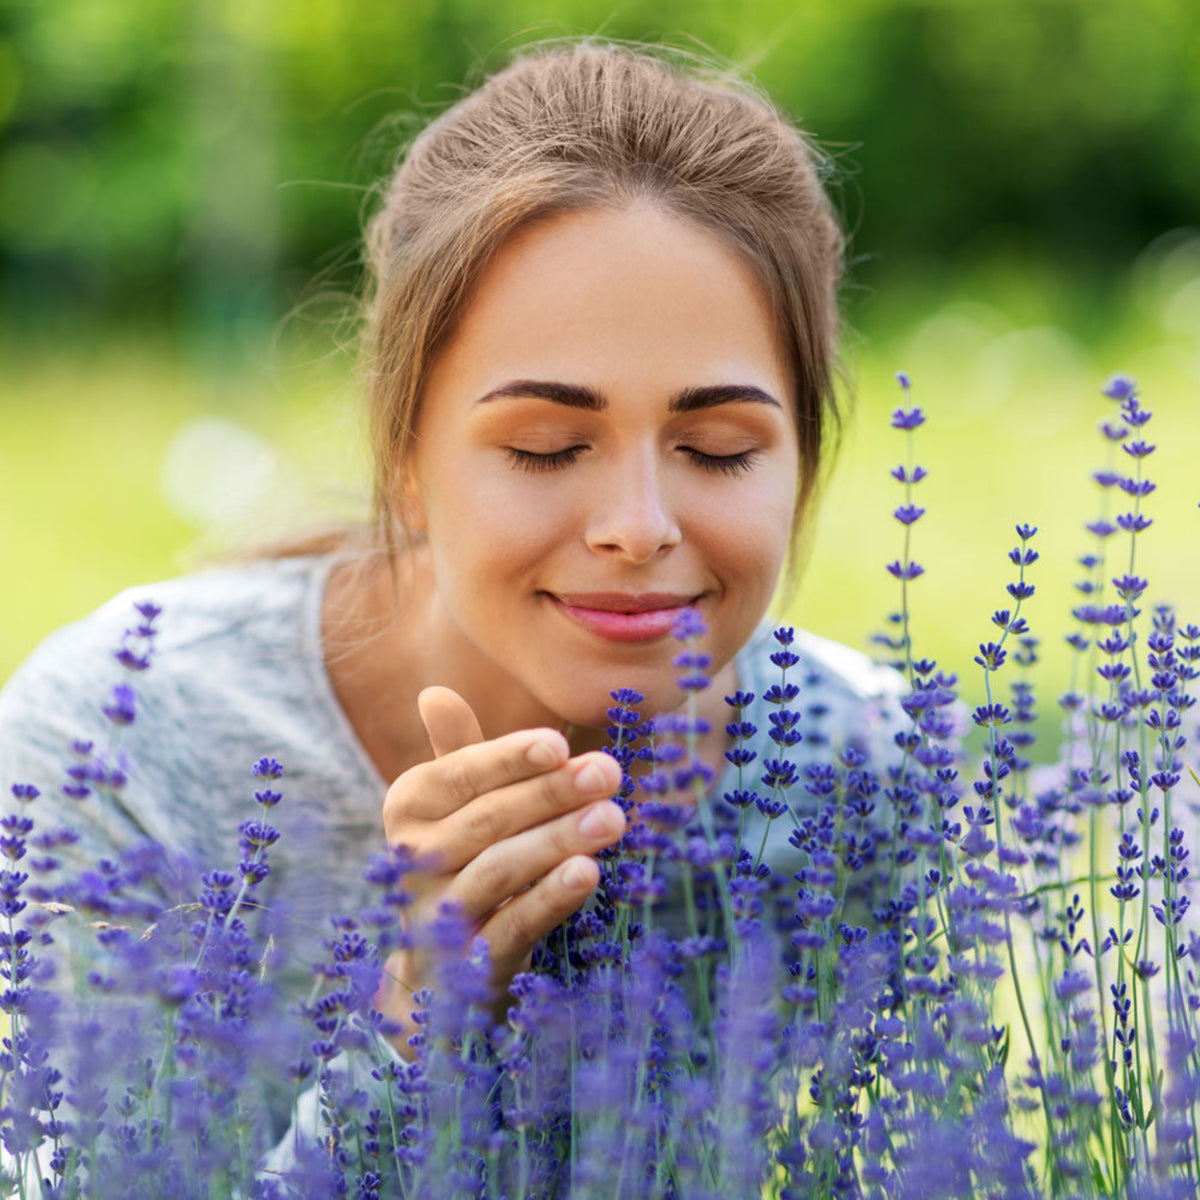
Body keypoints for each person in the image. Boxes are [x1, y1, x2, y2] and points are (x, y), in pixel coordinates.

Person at [0, 40, 904, 1135]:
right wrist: (411, 1035)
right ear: (405, 458)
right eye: (543, 446)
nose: (638, 527)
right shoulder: (122, 740)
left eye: (716, 448)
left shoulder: (856, 767)